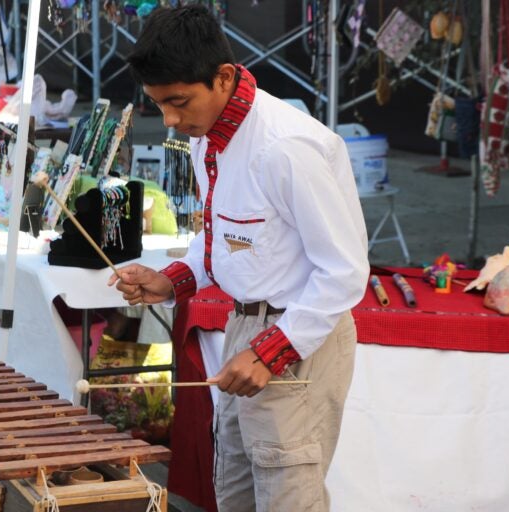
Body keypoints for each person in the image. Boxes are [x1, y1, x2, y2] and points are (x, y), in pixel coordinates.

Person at [108, 5, 370, 511]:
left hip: (299, 337)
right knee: (236, 489)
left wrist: (273, 351)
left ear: (224, 78)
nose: (169, 119)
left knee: (285, 495)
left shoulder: (285, 147)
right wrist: (172, 280)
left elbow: (344, 271)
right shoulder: (213, 138)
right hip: (246, 328)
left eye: (178, 102)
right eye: (158, 105)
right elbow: (229, 245)